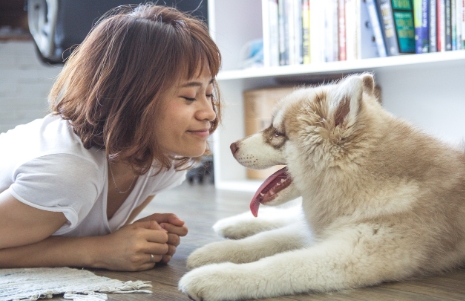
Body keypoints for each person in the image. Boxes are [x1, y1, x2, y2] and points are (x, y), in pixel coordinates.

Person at [0, 3, 221, 271]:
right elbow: (92, 244)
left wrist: (136, 239)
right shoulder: (68, 173)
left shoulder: (165, 158)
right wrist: (96, 251)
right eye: (188, 97)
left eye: (209, 93)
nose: (209, 112)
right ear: (131, 99)